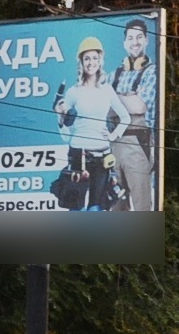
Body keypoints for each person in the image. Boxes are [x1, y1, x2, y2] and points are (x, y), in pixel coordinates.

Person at [52, 36, 126, 211]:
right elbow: (65, 136)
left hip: (102, 156)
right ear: (81, 62)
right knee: (76, 208)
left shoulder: (107, 90)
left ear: (100, 61)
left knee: (96, 208)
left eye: (94, 58)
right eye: (87, 58)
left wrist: (113, 135)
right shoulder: (73, 92)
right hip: (78, 155)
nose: (91, 62)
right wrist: (59, 117)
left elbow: (125, 118)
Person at [109, 17, 158, 211]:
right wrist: (127, 97)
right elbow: (101, 105)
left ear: (146, 40)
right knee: (114, 206)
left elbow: (139, 106)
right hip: (113, 145)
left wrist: (114, 98)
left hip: (138, 144)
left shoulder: (152, 72)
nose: (135, 42)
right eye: (131, 38)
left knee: (141, 208)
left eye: (139, 37)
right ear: (124, 43)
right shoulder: (114, 74)